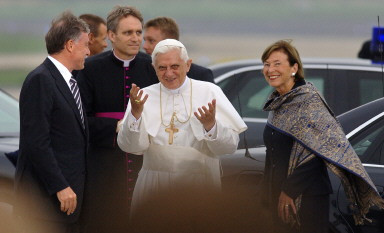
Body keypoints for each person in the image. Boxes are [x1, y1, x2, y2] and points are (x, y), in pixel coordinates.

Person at [117, 39, 247, 231]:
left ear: (188, 64)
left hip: (200, 184)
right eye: (162, 68)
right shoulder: (143, 96)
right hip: (154, 183)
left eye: (175, 66)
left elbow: (228, 148)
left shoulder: (210, 91)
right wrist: (135, 114)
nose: (168, 73)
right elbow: (132, 148)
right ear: (154, 68)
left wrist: (211, 126)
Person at [260, 40, 384, 233]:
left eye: (277, 63)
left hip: (307, 197)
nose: (270, 69)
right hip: (278, 196)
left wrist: (289, 191)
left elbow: (320, 151)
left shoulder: (309, 101)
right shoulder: (277, 104)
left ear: (294, 68)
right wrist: (267, 196)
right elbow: (273, 154)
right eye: (267, 64)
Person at [76, 5, 158, 233]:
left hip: (144, 162)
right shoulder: (90, 69)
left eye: (138, 32)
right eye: (128, 32)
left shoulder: (152, 67)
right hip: (104, 164)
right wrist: (118, 125)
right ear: (111, 36)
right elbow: (80, 120)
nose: (135, 38)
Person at [14, 11, 89, 233]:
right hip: (47, 203)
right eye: (85, 44)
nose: (88, 51)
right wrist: (60, 186)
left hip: (68, 203)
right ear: (70, 45)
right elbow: (36, 142)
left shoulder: (69, 81)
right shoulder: (41, 80)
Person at [143, 16, 215, 83]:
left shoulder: (200, 76)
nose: (145, 46)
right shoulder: (141, 70)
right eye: (144, 40)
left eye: (151, 41)